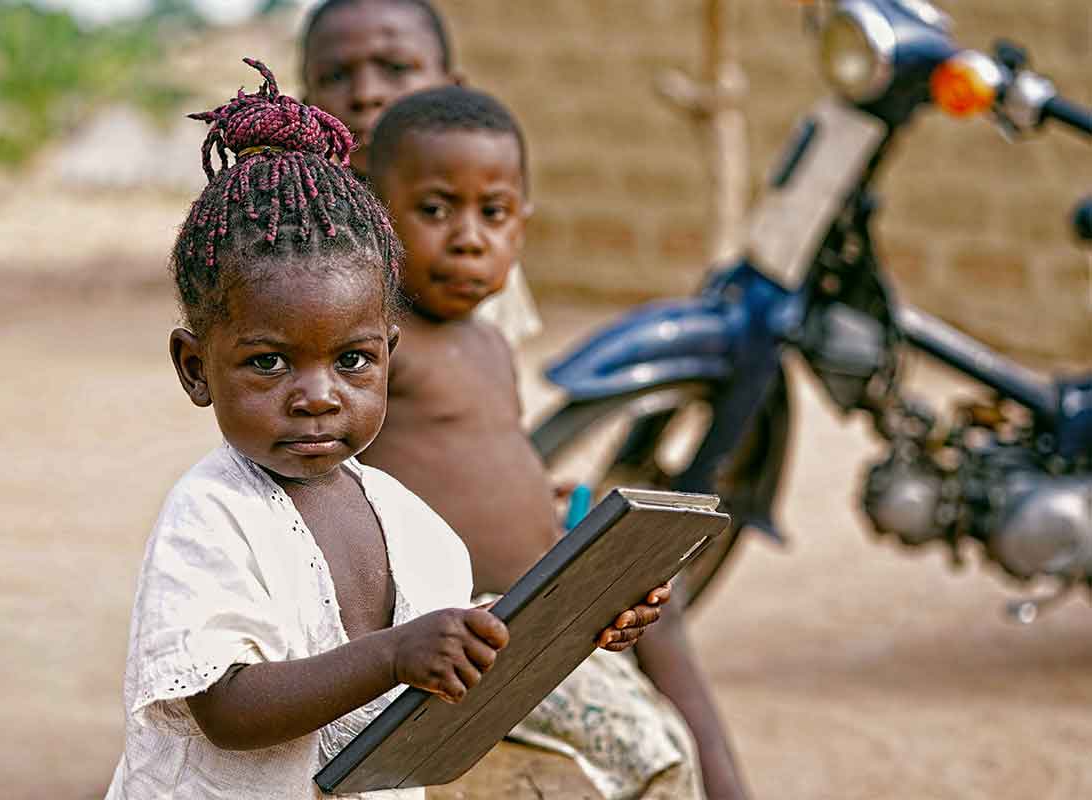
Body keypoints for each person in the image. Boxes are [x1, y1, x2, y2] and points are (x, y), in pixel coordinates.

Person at [105, 60, 666, 800]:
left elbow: (447, 669)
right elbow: (227, 709)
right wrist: (394, 654)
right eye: (269, 362)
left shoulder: (412, 526)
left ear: (388, 359)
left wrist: (571, 620)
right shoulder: (212, 516)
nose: (316, 396)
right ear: (194, 368)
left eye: (352, 361)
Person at [358, 86, 753, 800]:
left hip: (532, 622)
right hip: (456, 637)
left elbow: (481, 463)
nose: (469, 237)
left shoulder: (489, 347)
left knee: (659, 729)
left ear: (523, 227)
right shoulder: (379, 344)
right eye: (435, 210)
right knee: (653, 754)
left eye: (494, 213)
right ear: (375, 215)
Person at [300, 0, 542, 347]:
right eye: (335, 76)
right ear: (306, 103)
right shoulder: (292, 248)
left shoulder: (474, 245)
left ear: (452, 88)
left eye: (396, 68)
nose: (366, 95)